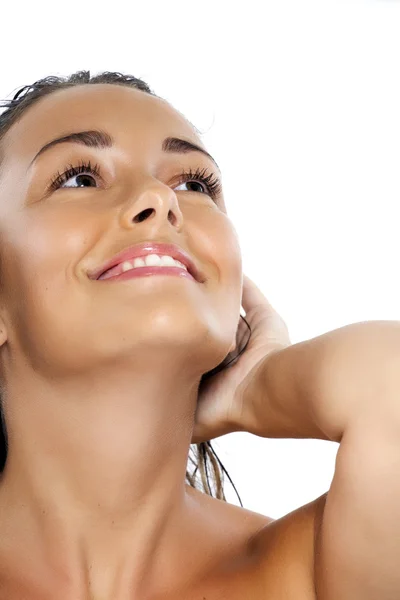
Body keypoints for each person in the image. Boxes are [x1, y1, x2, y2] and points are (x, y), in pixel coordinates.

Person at [0, 70, 399, 600]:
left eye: (193, 184)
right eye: (79, 178)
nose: (158, 198)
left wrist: (259, 387)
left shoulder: (306, 575)